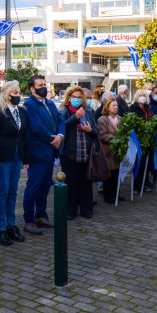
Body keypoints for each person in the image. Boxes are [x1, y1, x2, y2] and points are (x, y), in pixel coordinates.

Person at [0, 80, 29, 246]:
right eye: (15, 93)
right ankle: (1, 227)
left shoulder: (22, 111)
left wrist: (25, 159)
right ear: (6, 94)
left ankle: (11, 225)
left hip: (17, 156)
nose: (18, 95)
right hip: (2, 157)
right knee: (2, 192)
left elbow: (23, 136)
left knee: (13, 191)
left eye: (19, 92)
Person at [22, 74, 65, 235]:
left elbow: (60, 120)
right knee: (33, 187)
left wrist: (60, 136)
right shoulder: (29, 105)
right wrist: (52, 139)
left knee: (45, 186)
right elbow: (36, 127)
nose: (44, 87)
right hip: (37, 153)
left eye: (44, 84)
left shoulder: (50, 103)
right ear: (32, 89)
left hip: (50, 152)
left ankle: (40, 215)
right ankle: (28, 220)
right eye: (40, 85)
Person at [59, 86, 98, 219]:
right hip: (69, 154)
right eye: (74, 97)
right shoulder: (64, 111)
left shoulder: (88, 111)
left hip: (85, 154)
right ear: (69, 98)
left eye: (79, 97)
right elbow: (61, 127)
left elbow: (96, 132)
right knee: (71, 183)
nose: (76, 99)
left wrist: (90, 130)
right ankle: (71, 210)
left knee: (85, 183)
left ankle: (86, 209)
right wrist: (75, 117)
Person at [129, 89, 155, 190]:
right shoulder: (133, 107)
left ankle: (145, 181)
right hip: (138, 137)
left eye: (144, 95)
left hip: (148, 137)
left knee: (146, 162)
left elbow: (152, 118)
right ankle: (137, 184)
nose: (142, 97)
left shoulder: (148, 107)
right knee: (139, 162)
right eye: (140, 95)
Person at [97, 98, 120, 204]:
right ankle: (108, 195)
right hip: (107, 150)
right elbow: (102, 135)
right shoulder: (102, 119)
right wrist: (116, 138)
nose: (116, 107)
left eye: (116, 105)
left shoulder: (120, 119)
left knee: (116, 173)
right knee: (108, 174)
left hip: (118, 151)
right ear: (107, 107)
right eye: (113, 105)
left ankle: (116, 193)